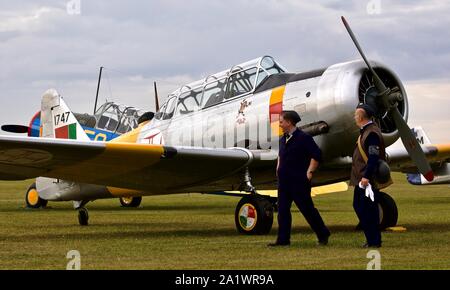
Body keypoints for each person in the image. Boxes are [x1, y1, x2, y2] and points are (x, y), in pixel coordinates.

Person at [268, 110, 330, 247]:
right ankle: (283, 240)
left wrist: (310, 172)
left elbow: (317, 155)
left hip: (299, 182)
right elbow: (281, 155)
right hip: (284, 183)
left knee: (307, 210)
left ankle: (323, 233)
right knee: (282, 211)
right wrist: (278, 167)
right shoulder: (282, 139)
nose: (280, 124)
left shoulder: (304, 138)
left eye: (281, 121)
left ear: (289, 122)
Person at [350, 104, 386, 248]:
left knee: (366, 209)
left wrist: (366, 176)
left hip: (366, 180)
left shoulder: (371, 133)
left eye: (355, 115)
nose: (354, 117)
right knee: (363, 207)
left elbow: (373, 157)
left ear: (360, 117)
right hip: (363, 179)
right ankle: (373, 239)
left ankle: (373, 240)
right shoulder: (366, 132)